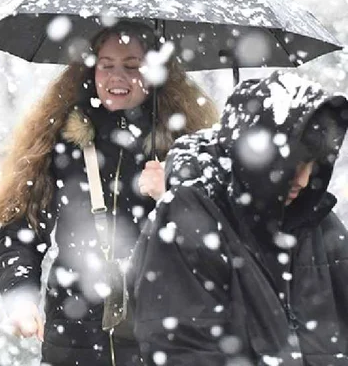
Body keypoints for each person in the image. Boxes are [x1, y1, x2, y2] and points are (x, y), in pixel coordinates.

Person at [0, 20, 219, 366]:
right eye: (106, 65)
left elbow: (213, 245)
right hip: (72, 337)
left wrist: (168, 196)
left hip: (160, 335)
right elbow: (23, 229)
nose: (116, 78)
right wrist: (21, 300)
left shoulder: (188, 149)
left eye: (132, 67)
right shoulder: (59, 143)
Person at [131, 71, 348, 365]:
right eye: (292, 164)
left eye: (312, 164)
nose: (305, 179)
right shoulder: (190, 216)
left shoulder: (319, 220)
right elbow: (184, 350)